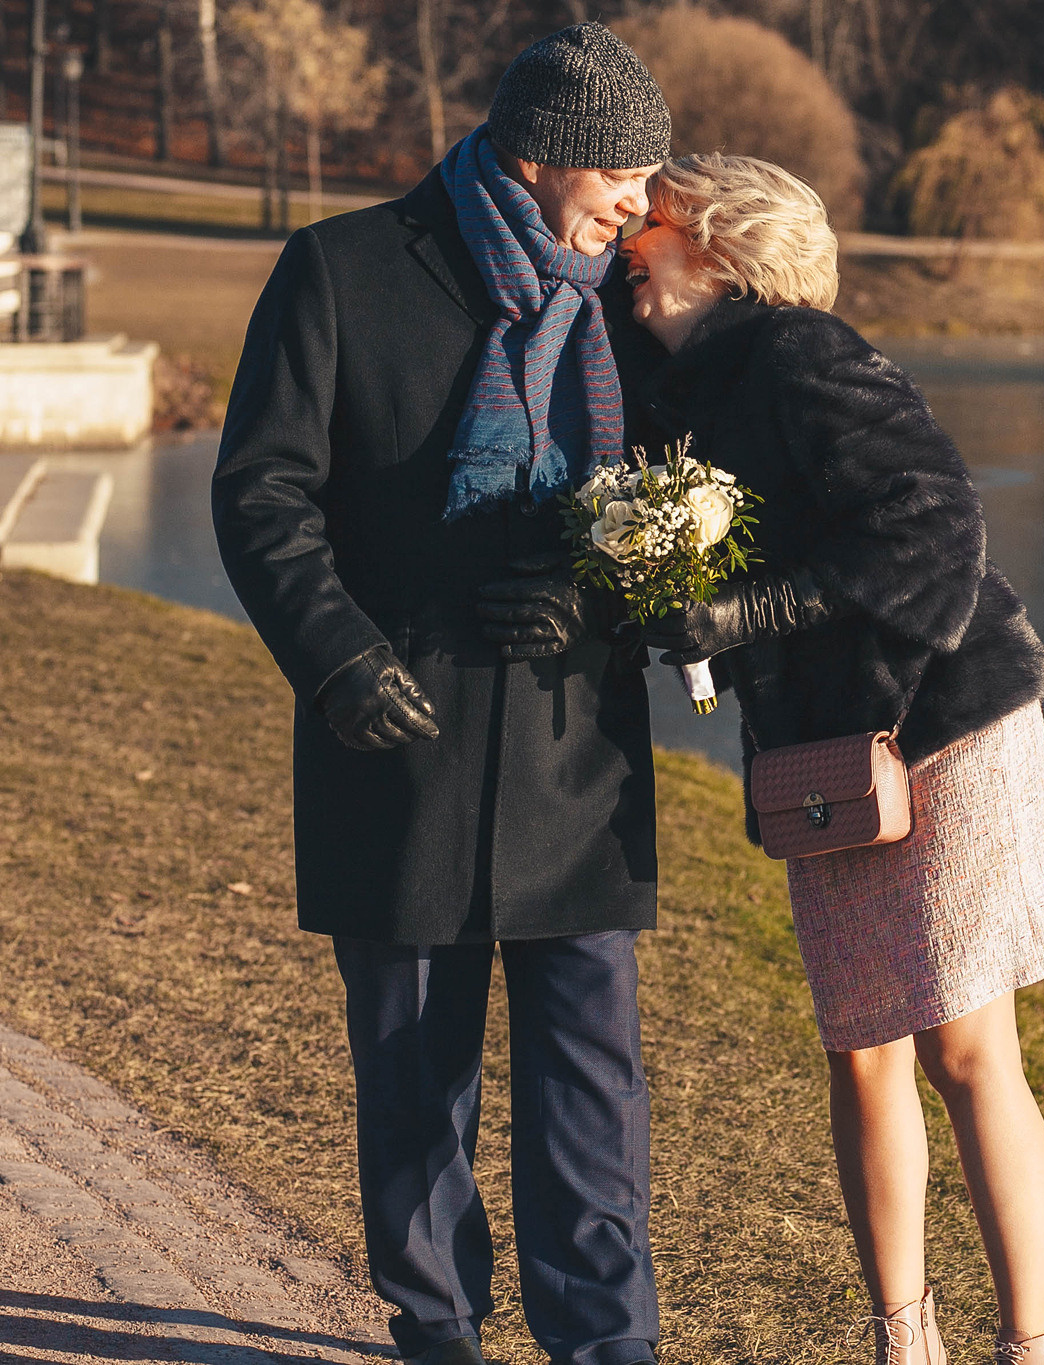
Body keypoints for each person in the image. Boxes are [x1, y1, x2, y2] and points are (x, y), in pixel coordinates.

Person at [211, 25, 671, 1365]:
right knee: (417, 1086)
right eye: (621, 174)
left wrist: (600, 603)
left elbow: (677, 512)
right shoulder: (342, 270)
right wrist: (339, 656)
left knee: (594, 1094)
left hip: (579, 758)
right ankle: (438, 1332)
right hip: (394, 743)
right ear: (538, 156)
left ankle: (607, 1345)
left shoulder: (631, 306)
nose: (641, 202)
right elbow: (263, 491)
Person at [619, 153, 1044, 1365]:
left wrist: (737, 618)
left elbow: (937, 525)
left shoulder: (799, 353)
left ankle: (1036, 1348)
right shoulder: (669, 378)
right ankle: (901, 1343)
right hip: (826, 754)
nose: (626, 239)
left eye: (649, 223)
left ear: (714, 248)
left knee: (965, 1049)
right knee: (860, 1048)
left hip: (944, 718)